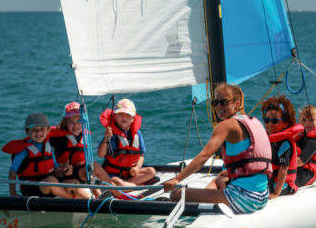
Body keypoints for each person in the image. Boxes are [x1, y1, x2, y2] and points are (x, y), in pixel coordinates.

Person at [163, 84, 272, 214]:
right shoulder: (254, 122)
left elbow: (204, 156)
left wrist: (177, 179)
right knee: (217, 180)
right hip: (263, 196)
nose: (219, 107)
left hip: (244, 199)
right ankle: (207, 202)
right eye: (215, 102)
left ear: (237, 104)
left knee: (176, 194)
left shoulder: (225, 126)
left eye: (224, 102)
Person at [2, 113, 74, 198]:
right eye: (34, 130)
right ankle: (75, 201)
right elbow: (12, 172)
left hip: (48, 186)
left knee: (74, 182)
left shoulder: (48, 147)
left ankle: (88, 203)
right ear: (27, 131)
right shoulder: (24, 150)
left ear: (48, 130)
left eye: (42, 129)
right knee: (51, 181)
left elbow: (56, 169)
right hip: (31, 188)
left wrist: (64, 169)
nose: (39, 132)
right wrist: (13, 193)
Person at [49, 102, 104, 198]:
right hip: (63, 177)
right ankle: (96, 202)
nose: (76, 126)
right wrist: (62, 167)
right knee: (75, 183)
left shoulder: (82, 136)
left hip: (76, 172)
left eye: (79, 122)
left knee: (93, 168)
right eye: (72, 122)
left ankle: (110, 192)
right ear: (65, 122)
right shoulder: (57, 139)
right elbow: (50, 162)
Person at [98, 98, 157, 187]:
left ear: (133, 118)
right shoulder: (111, 133)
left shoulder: (137, 133)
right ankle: (130, 185)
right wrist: (106, 138)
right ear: (114, 116)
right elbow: (100, 155)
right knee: (115, 180)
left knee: (151, 171)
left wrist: (137, 167)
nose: (124, 118)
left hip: (130, 174)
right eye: (120, 114)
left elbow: (141, 155)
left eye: (128, 115)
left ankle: (128, 185)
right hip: (113, 174)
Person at [262, 95, 304, 199]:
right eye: (267, 120)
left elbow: (283, 170)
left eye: (275, 121)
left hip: (285, 184)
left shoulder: (285, 143)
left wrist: (276, 193)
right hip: (270, 180)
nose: (270, 124)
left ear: (286, 123)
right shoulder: (267, 139)